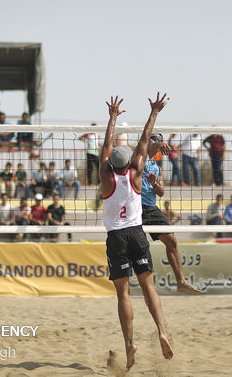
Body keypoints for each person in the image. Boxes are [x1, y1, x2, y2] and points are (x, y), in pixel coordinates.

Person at [99, 94, 173, 369]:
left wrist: (112, 117)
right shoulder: (137, 173)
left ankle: (129, 344)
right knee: (148, 286)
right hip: (136, 233)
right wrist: (154, 112)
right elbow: (144, 140)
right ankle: (162, 331)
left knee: (123, 294)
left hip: (116, 237)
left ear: (109, 164)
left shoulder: (106, 177)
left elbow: (107, 145)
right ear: (129, 162)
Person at [141, 133, 200, 292]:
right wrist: (158, 144)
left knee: (172, 241)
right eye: (152, 138)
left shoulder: (157, 168)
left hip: (151, 208)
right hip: (135, 207)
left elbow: (161, 192)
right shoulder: (140, 157)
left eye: (157, 139)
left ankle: (180, 281)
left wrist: (154, 184)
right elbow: (150, 145)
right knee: (137, 249)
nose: (153, 140)